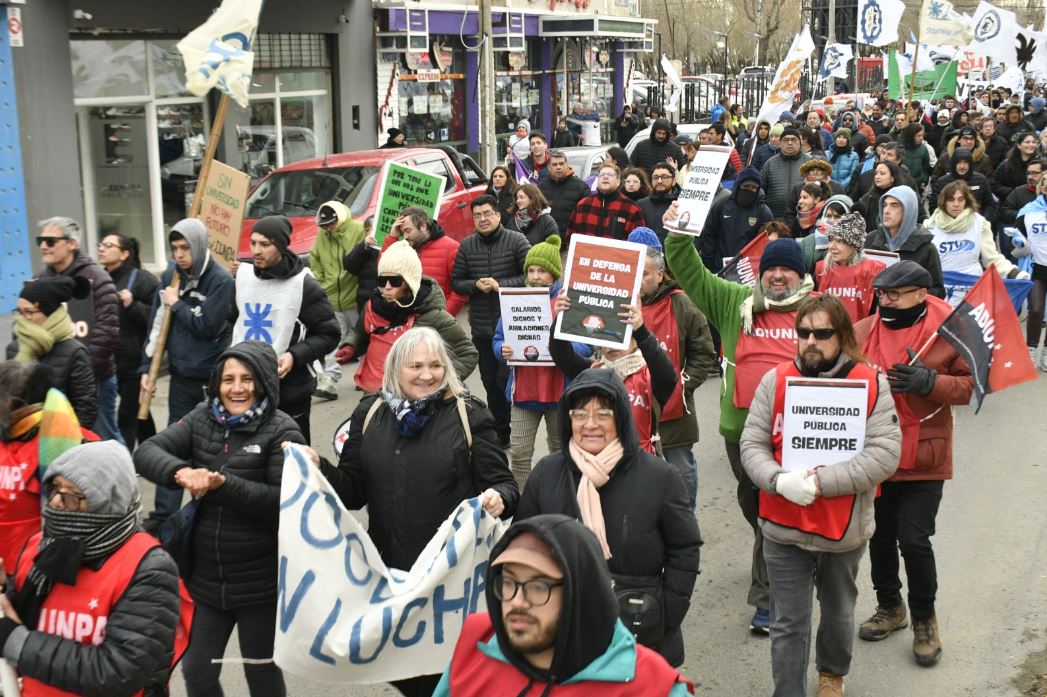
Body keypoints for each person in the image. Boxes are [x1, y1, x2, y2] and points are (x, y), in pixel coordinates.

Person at [313, 327, 518, 697]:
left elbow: (506, 486)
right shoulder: (369, 413)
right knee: (403, 670)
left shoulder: (469, 414)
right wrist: (317, 468)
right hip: (391, 577)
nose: (427, 375)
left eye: (436, 365)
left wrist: (498, 497)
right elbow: (352, 491)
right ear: (395, 368)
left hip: (449, 581)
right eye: (416, 366)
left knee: (446, 675)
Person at [741, 293, 900, 697]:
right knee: (788, 622)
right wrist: (778, 481)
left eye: (822, 333)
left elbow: (884, 455)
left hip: (842, 530)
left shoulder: (870, 383)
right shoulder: (775, 380)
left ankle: (832, 673)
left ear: (842, 335)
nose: (810, 341)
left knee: (838, 613)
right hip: (782, 528)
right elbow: (752, 446)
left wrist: (819, 483)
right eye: (803, 332)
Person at [665, 218, 818, 635]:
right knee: (758, 510)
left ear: (801, 276)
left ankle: (768, 600)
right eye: (771, 268)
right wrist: (680, 231)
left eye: (787, 269)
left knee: (774, 513)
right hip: (743, 434)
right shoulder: (734, 302)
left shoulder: (818, 311)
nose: (778, 275)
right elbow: (687, 268)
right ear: (762, 271)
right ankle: (786, 555)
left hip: (799, 438)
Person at [135, 341, 305, 697]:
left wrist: (222, 485)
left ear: (263, 383)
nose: (237, 388)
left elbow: (282, 502)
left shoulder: (282, 429)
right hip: (205, 580)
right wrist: (180, 472)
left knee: (261, 675)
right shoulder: (201, 416)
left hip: (261, 582)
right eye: (228, 379)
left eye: (247, 379)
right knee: (196, 673)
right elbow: (147, 451)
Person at [515, 365, 701, 666]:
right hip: (561, 628)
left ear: (622, 419)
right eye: (580, 414)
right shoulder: (546, 474)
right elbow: (523, 547)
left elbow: (684, 549)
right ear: (568, 419)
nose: (591, 424)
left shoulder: (660, 477)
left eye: (604, 413)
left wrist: (666, 614)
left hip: (640, 630)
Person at [853, 262, 974, 668]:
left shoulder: (950, 327)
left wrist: (929, 383)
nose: (884, 301)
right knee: (879, 537)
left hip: (924, 454)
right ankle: (891, 606)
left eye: (894, 295)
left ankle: (924, 617)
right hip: (876, 454)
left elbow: (970, 385)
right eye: (881, 294)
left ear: (921, 294)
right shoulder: (864, 331)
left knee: (915, 540)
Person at [434, 514, 695, 696]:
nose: (517, 601)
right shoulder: (476, 643)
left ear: (580, 593)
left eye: (538, 587)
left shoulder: (652, 687)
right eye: (509, 583)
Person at [1, 441, 184, 697]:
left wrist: (18, 644)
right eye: (55, 488)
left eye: (72, 495)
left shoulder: (148, 567)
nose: (55, 502)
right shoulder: (39, 547)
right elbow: (16, 619)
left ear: (107, 502)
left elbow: (119, 673)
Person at [140, 218, 235, 531]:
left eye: (185, 248)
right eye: (174, 248)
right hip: (181, 378)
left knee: (210, 448)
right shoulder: (171, 275)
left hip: (211, 380)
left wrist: (177, 304)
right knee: (174, 446)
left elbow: (208, 327)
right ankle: (163, 518)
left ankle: (206, 514)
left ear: (198, 246)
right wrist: (147, 369)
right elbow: (156, 325)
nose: (179, 255)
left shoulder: (220, 280)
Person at [494, 235, 591, 489]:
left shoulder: (565, 302)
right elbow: (498, 338)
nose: (536, 276)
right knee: (519, 455)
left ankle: (560, 500)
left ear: (554, 274)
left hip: (559, 393)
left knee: (560, 453)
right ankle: (522, 506)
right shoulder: (516, 302)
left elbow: (586, 345)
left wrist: (560, 348)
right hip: (524, 394)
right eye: (532, 270)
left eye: (542, 271)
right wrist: (501, 349)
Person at [234, 215, 340, 442]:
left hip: (290, 389)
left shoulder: (304, 285)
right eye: (253, 243)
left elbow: (329, 333)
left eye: (265, 244)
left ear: (281, 246)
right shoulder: (242, 279)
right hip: (246, 387)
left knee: (293, 455)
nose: (256, 251)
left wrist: (294, 355)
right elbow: (230, 323)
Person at [548, 279, 678, 456]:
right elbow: (562, 356)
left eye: (619, 338)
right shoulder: (593, 371)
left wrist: (640, 329)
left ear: (634, 342)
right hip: (599, 461)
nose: (611, 346)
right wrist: (560, 320)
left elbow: (668, 376)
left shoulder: (649, 374)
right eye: (604, 341)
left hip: (640, 461)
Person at [633, 230, 715, 508]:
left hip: (675, 407)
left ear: (660, 273)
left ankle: (685, 520)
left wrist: (684, 385)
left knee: (681, 470)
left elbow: (704, 354)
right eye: (633, 272)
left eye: (644, 274)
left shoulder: (683, 304)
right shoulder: (621, 305)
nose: (638, 281)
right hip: (633, 405)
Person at [338, 239, 477, 391]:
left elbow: (468, 353)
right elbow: (360, 332)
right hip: (374, 395)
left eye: (395, 281)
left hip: (415, 401)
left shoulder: (434, 316)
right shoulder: (372, 306)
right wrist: (351, 346)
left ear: (410, 282)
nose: (387, 287)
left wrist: (440, 382)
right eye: (382, 280)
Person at [452, 195, 532, 446]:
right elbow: (457, 282)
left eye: (487, 214)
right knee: (489, 380)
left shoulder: (516, 240)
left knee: (506, 379)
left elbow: (532, 277)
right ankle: (501, 431)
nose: (483, 219)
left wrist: (502, 286)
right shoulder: (466, 245)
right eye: (477, 215)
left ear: (498, 215)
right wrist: (475, 285)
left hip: (513, 325)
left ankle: (515, 428)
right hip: (482, 326)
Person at [35, 217, 120, 442]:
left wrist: (81, 376)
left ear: (71, 243)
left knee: (102, 439)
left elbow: (106, 334)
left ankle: (122, 476)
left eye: (50, 241)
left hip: (96, 380)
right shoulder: (40, 280)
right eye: (40, 241)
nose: (43, 246)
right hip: (54, 381)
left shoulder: (97, 278)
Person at [97, 233, 159, 448]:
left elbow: (156, 320)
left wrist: (132, 305)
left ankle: (123, 464)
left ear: (124, 254)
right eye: (101, 244)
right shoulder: (97, 279)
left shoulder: (143, 280)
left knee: (127, 414)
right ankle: (153, 453)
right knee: (139, 412)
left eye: (108, 245)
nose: (101, 248)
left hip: (135, 362)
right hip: (108, 361)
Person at [10, 276, 97, 426]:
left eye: (29, 311)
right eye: (20, 312)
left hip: (61, 437)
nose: (23, 319)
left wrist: (67, 441)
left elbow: (86, 408)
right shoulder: (15, 348)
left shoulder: (75, 352)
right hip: (20, 438)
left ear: (49, 312)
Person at [310, 200, 367, 401]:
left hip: (355, 296)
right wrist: (322, 281)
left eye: (330, 224)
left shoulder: (358, 230)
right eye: (324, 225)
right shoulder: (322, 237)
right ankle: (329, 381)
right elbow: (314, 258)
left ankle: (365, 376)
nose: (327, 228)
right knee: (331, 340)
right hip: (331, 298)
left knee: (361, 339)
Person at [927, 180, 1026, 285]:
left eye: (960, 200)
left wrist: (1014, 273)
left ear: (966, 201)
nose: (956, 204)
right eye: (951, 200)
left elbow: (991, 258)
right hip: (941, 288)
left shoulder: (979, 224)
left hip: (971, 289)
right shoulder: (930, 226)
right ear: (944, 202)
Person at [379, 206, 469, 316]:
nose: (405, 236)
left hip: (436, 321)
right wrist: (392, 238)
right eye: (403, 233)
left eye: (408, 230)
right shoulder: (405, 248)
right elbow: (384, 270)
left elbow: (460, 289)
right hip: (406, 320)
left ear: (423, 226)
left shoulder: (451, 248)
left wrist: (443, 315)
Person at [865, 186, 945, 297]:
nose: (886, 211)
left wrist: (909, 296)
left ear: (908, 210)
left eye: (894, 206)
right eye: (884, 205)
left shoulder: (926, 248)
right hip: (873, 312)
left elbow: (938, 291)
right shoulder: (870, 240)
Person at [814, 212, 886, 322]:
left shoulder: (871, 271)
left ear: (854, 245)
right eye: (830, 240)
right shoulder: (822, 269)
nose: (832, 246)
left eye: (839, 241)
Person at [699, 167, 774, 272]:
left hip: (748, 273)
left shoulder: (763, 212)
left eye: (753, 187)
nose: (749, 190)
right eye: (746, 186)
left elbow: (766, 243)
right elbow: (709, 235)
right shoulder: (722, 205)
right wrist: (709, 264)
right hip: (719, 269)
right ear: (739, 185)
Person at [566, 163, 645, 241]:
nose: (605, 177)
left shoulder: (632, 209)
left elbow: (639, 242)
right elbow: (571, 236)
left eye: (610, 175)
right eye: (602, 174)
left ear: (618, 181)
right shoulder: (583, 205)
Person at [1015, 177, 1047, 369]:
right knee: (1035, 310)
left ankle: (1045, 353)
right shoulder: (1028, 212)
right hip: (1037, 269)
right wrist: (1017, 242)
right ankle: (1031, 349)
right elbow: (1017, 237)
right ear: (1041, 188)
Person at [761, 127, 813, 224]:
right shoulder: (770, 163)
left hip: (803, 218)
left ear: (800, 143)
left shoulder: (810, 163)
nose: (790, 143)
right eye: (786, 140)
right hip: (774, 219)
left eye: (793, 139)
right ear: (780, 144)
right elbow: (761, 190)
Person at [929, 147, 994, 221]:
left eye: (966, 162)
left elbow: (989, 205)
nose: (962, 166)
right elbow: (934, 206)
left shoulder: (981, 180)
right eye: (959, 162)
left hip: (975, 224)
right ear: (953, 163)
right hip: (949, 225)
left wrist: (982, 221)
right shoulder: (942, 182)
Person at [538, 150, 592, 235]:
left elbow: (587, 217)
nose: (558, 167)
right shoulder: (541, 187)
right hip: (546, 240)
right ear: (548, 167)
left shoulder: (581, 188)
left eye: (561, 163)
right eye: (554, 164)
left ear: (567, 165)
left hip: (569, 241)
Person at [341, 215, 379, 323]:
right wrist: (364, 246)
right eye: (368, 230)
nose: (371, 232)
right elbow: (349, 266)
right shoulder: (365, 249)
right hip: (365, 303)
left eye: (374, 228)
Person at [991, 132, 1040, 204]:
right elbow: (994, 185)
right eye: (1027, 142)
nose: (1031, 144)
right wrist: (1015, 192)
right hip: (1011, 202)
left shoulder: (1041, 164)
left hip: (1035, 202)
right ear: (1019, 145)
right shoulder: (1006, 164)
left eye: (1033, 142)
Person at [638, 162, 682, 241]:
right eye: (655, 177)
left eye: (664, 177)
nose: (659, 181)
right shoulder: (642, 205)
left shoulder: (681, 204)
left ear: (674, 181)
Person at [900, 124, 932, 193]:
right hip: (901, 182)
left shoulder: (923, 149)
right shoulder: (901, 147)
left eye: (922, 135)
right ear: (911, 136)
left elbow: (926, 166)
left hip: (917, 184)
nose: (921, 138)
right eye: (918, 135)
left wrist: (924, 179)